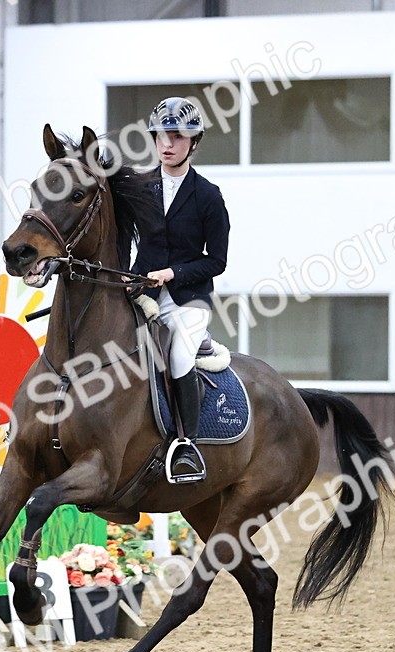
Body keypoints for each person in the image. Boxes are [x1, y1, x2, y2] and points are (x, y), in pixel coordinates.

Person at [132, 97, 230, 484]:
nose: (167, 144)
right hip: (143, 294)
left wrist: (173, 273)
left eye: (177, 137)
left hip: (189, 300)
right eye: (161, 136)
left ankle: (186, 445)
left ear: (194, 142)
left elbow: (217, 261)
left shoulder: (208, 195)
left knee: (177, 359)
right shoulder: (140, 187)